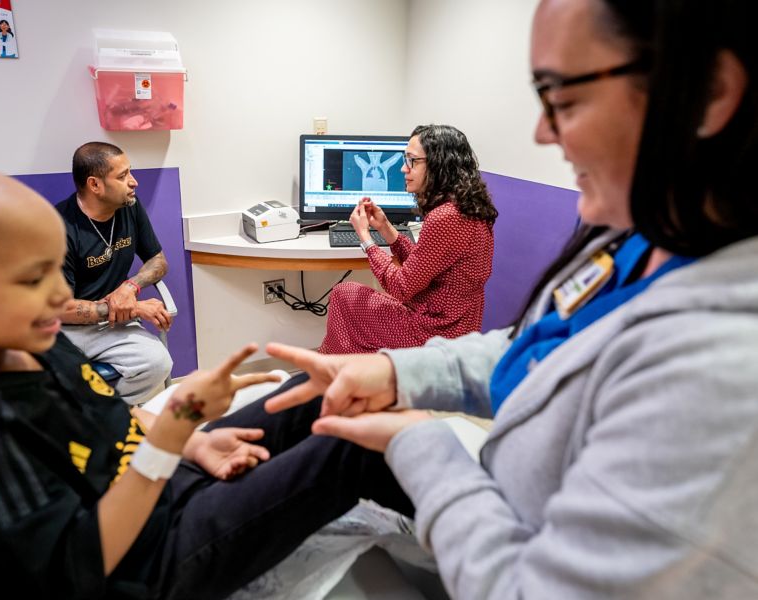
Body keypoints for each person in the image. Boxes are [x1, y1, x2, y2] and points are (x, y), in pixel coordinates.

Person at [265, 0, 758, 597]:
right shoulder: (631, 242)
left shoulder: (721, 364)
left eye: (562, 98)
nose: (542, 132)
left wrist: (416, 438)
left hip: (500, 536)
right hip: (477, 433)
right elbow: (537, 343)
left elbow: (404, 286)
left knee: (345, 315)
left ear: (707, 94)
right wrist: (398, 370)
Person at [0, 165, 414, 600]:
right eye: (33, 281)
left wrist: (197, 440)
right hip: (151, 561)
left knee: (321, 389)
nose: (62, 297)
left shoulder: (29, 340)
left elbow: (111, 415)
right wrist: (177, 429)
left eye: (56, 271)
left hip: (165, 481)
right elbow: (73, 571)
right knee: (358, 449)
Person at [318, 125, 497, 354]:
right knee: (350, 298)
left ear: (439, 164)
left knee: (344, 294)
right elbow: (422, 267)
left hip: (434, 333)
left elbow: (401, 288)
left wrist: (365, 238)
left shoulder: (444, 217)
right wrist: (384, 227)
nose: (403, 168)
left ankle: (332, 369)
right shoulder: (467, 209)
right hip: (457, 326)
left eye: (412, 161)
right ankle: (357, 371)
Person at [57, 142, 173, 404]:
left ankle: (104, 414)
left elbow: (158, 260)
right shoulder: (58, 228)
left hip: (112, 328)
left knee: (157, 363)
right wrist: (132, 309)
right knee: (50, 382)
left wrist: (130, 287)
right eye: (122, 176)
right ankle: (92, 416)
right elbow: (59, 309)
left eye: (130, 172)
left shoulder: (129, 206)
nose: (134, 182)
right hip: (65, 331)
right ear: (95, 185)